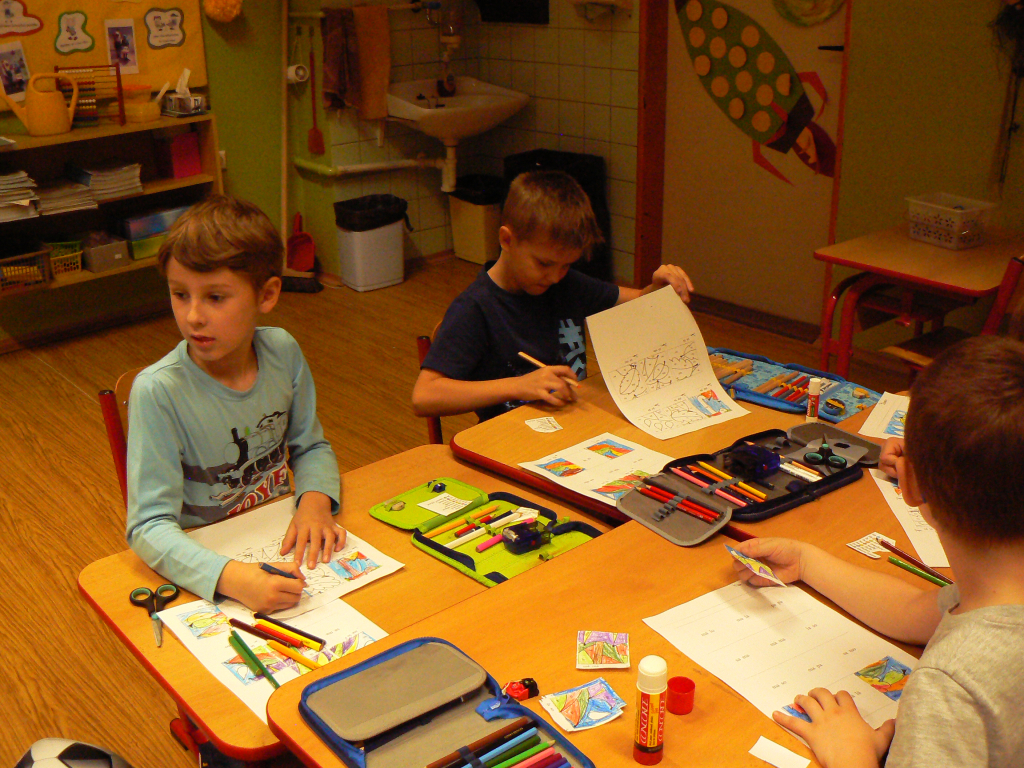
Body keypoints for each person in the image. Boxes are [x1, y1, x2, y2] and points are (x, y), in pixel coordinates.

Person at [732, 335, 1024, 768]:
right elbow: (913, 612)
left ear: (910, 484)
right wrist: (807, 560)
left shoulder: (950, 686)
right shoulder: (996, 593)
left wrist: (850, 754)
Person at [126, 196, 344, 614]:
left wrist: (315, 503)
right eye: (180, 294)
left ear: (267, 294)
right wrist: (232, 579)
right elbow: (148, 526)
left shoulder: (282, 351)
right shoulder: (157, 391)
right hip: (205, 564)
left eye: (215, 297)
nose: (193, 316)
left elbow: (311, 446)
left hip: (277, 537)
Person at [412, 170, 694, 421]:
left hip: (571, 428)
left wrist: (658, 290)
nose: (555, 276)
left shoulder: (565, 284)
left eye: (566, 265)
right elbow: (424, 396)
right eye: (544, 263)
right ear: (507, 240)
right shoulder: (475, 308)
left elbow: (639, 302)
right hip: (510, 441)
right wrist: (519, 386)